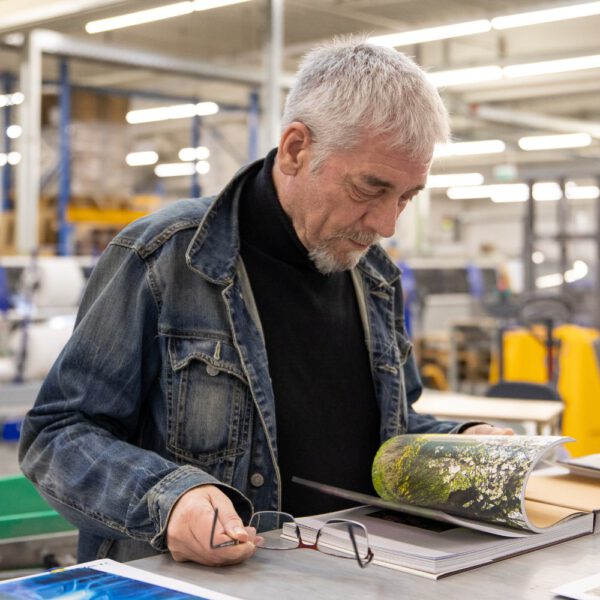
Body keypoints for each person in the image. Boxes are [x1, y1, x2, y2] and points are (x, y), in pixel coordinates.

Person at [19, 37, 512, 569]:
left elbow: (386, 432)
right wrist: (169, 499)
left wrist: (462, 443)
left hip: (355, 575)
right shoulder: (164, 258)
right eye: (371, 189)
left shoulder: (376, 280)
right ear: (298, 149)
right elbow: (58, 435)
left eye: (406, 197)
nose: (387, 224)